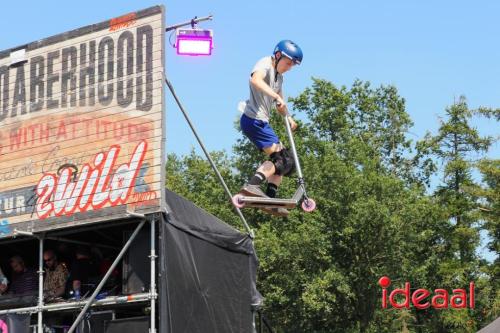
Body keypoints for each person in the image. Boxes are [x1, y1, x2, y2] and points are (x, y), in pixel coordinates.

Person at [238, 40, 302, 217]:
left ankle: (270, 199)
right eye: (288, 63)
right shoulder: (265, 63)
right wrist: (275, 96)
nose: (289, 67)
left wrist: (288, 117)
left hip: (261, 122)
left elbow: (280, 102)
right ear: (278, 55)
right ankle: (252, 185)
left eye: (292, 65)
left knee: (286, 162)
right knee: (280, 158)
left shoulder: (279, 78)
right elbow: (255, 80)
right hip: (253, 120)